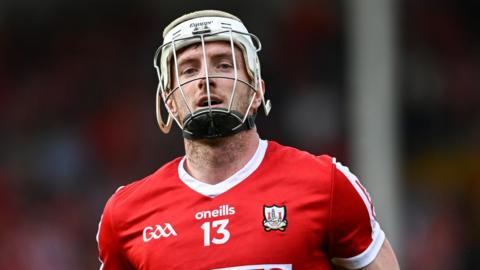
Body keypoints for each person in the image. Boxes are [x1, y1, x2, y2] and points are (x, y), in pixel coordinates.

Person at [96, 10, 400, 270]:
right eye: (189, 69)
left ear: (257, 91)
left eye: (224, 65)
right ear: (170, 101)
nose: (205, 79)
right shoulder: (125, 215)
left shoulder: (327, 185)